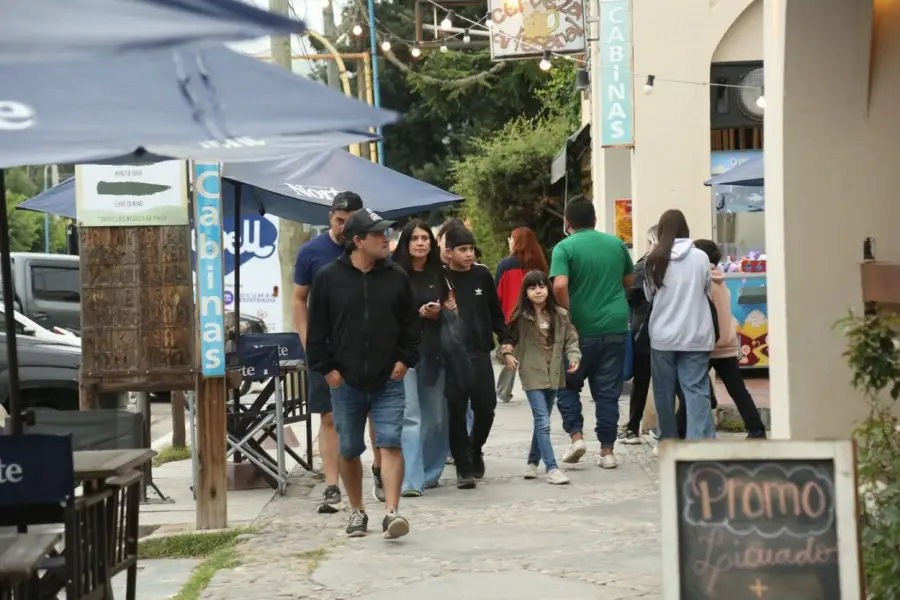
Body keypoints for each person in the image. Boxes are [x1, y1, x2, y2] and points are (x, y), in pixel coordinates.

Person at [306, 208, 420, 539]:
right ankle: (357, 511)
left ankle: (392, 513)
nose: (387, 239)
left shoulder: (396, 276)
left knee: (390, 444)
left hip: (389, 379)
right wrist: (327, 369)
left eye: (386, 233)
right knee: (349, 450)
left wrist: (405, 360)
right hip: (345, 382)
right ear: (358, 240)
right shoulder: (328, 278)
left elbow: (411, 327)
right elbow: (317, 332)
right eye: (378, 234)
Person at [293, 191, 375, 513]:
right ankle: (331, 485)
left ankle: (379, 471)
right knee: (328, 416)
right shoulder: (311, 252)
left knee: (370, 412)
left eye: (349, 222)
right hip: (325, 349)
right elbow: (299, 298)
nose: (344, 228)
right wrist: (306, 338)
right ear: (330, 217)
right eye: (339, 221)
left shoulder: (369, 246)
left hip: (365, 348)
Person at [550, 198, 634, 469]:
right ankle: (607, 452)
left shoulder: (564, 247)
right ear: (595, 220)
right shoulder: (616, 244)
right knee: (608, 392)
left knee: (567, 385)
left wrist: (567, 310)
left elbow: (560, 284)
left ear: (567, 223)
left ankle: (576, 437)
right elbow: (629, 281)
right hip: (615, 326)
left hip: (579, 330)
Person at [443, 225, 512, 488]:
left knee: (486, 408)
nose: (469, 254)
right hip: (453, 355)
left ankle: (475, 447)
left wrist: (505, 338)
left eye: (471, 249)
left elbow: (495, 311)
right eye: (463, 250)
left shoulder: (482, 275)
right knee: (456, 412)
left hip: (480, 352)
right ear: (449, 252)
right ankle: (463, 466)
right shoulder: (442, 278)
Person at [391, 220, 455, 496]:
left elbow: (452, 307)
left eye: (425, 238)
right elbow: (389, 315)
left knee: (436, 419)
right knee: (411, 417)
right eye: (415, 238)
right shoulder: (394, 275)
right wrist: (417, 314)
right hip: (405, 353)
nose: (420, 243)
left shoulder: (439, 274)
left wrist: (447, 309)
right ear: (406, 243)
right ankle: (411, 481)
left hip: (435, 351)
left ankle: (430, 472)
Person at [643, 209, 716, 441]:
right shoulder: (701, 257)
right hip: (696, 333)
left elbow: (649, 296)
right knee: (696, 389)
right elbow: (707, 291)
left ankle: (668, 440)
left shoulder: (653, 260)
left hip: (662, 336)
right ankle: (699, 442)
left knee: (664, 392)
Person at [503, 270, 580, 484]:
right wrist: (508, 353)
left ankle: (532, 461)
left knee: (542, 420)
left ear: (548, 289)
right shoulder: (520, 317)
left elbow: (571, 340)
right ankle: (552, 467)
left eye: (542, 286)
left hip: (554, 373)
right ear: (525, 292)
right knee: (543, 421)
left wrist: (574, 357)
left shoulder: (560, 315)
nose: (538, 291)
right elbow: (507, 340)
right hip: (531, 373)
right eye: (532, 287)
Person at [693, 239, 767, 439]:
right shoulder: (720, 279)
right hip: (727, 342)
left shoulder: (703, 279)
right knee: (737, 390)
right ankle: (756, 429)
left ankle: (678, 427)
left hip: (708, 343)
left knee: (693, 389)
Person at [495, 227, 549, 403]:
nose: (509, 241)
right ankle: (541, 385)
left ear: (516, 241)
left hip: (512, 316)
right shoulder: (540, 264)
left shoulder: (505, 265)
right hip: (537, 314)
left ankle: (504, 390)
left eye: (511, 238)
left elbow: (498, 293)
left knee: (512, 352)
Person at [620, 225, 658, 444]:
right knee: (669, 382)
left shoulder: (643, 265)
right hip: (667, 331)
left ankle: (634, 427)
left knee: (641, 381)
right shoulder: (673, 265)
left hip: (642, 330)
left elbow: (628, 294)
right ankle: (674, 428)